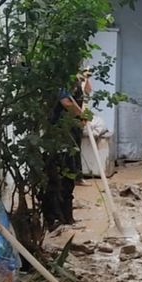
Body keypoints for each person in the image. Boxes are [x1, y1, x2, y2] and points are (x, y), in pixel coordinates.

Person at [43, 72, 90, 230]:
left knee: (69, 176)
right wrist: (82, 115)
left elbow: (87, 92)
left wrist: (85, 79)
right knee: (58, 177)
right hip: (59, 133)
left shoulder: (77, 79)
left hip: (71, 132)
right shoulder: (59, 79)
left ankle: (68, 218)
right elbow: (67, 102)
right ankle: (55, 219)